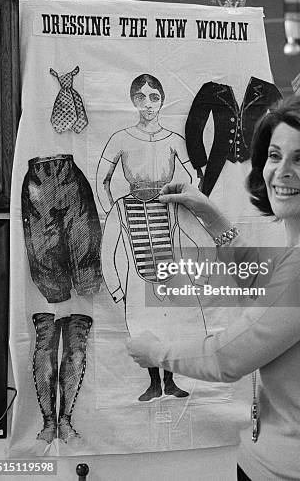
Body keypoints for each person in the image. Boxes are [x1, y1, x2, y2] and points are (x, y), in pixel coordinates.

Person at [127, 95, 300, 480]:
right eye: (275, 156)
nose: (282, 171)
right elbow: (263, 284)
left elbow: (228, 358)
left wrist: (154, 352)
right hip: (271, 466)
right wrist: (211, 215)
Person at [97, 73, 209, 402]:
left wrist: (184, 200)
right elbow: (101, 177)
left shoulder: (174, 139)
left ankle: (171, 381)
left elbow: (194, 178)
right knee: (143, 323)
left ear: (162, 100)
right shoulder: (121, 138)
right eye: (141, 98)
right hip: (133, 231)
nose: (148, 104)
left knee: (174, 321)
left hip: (167, 216)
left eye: (154, 97)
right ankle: (153, 382)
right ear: (133, 101)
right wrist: (112, 211)